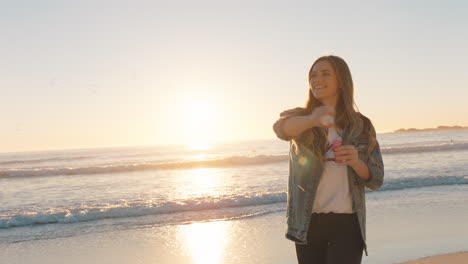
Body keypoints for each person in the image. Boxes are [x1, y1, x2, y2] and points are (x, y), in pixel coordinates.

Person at [272, 55, 384, 264]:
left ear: (341, 80)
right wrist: (312, 119)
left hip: (348, 224)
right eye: (313, 75)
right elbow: (281, 129)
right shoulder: (301, 120)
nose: (317, 79)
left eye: (325, 74)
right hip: (308, 224)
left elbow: (376, 179)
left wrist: (356, 162)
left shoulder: (362, 125)